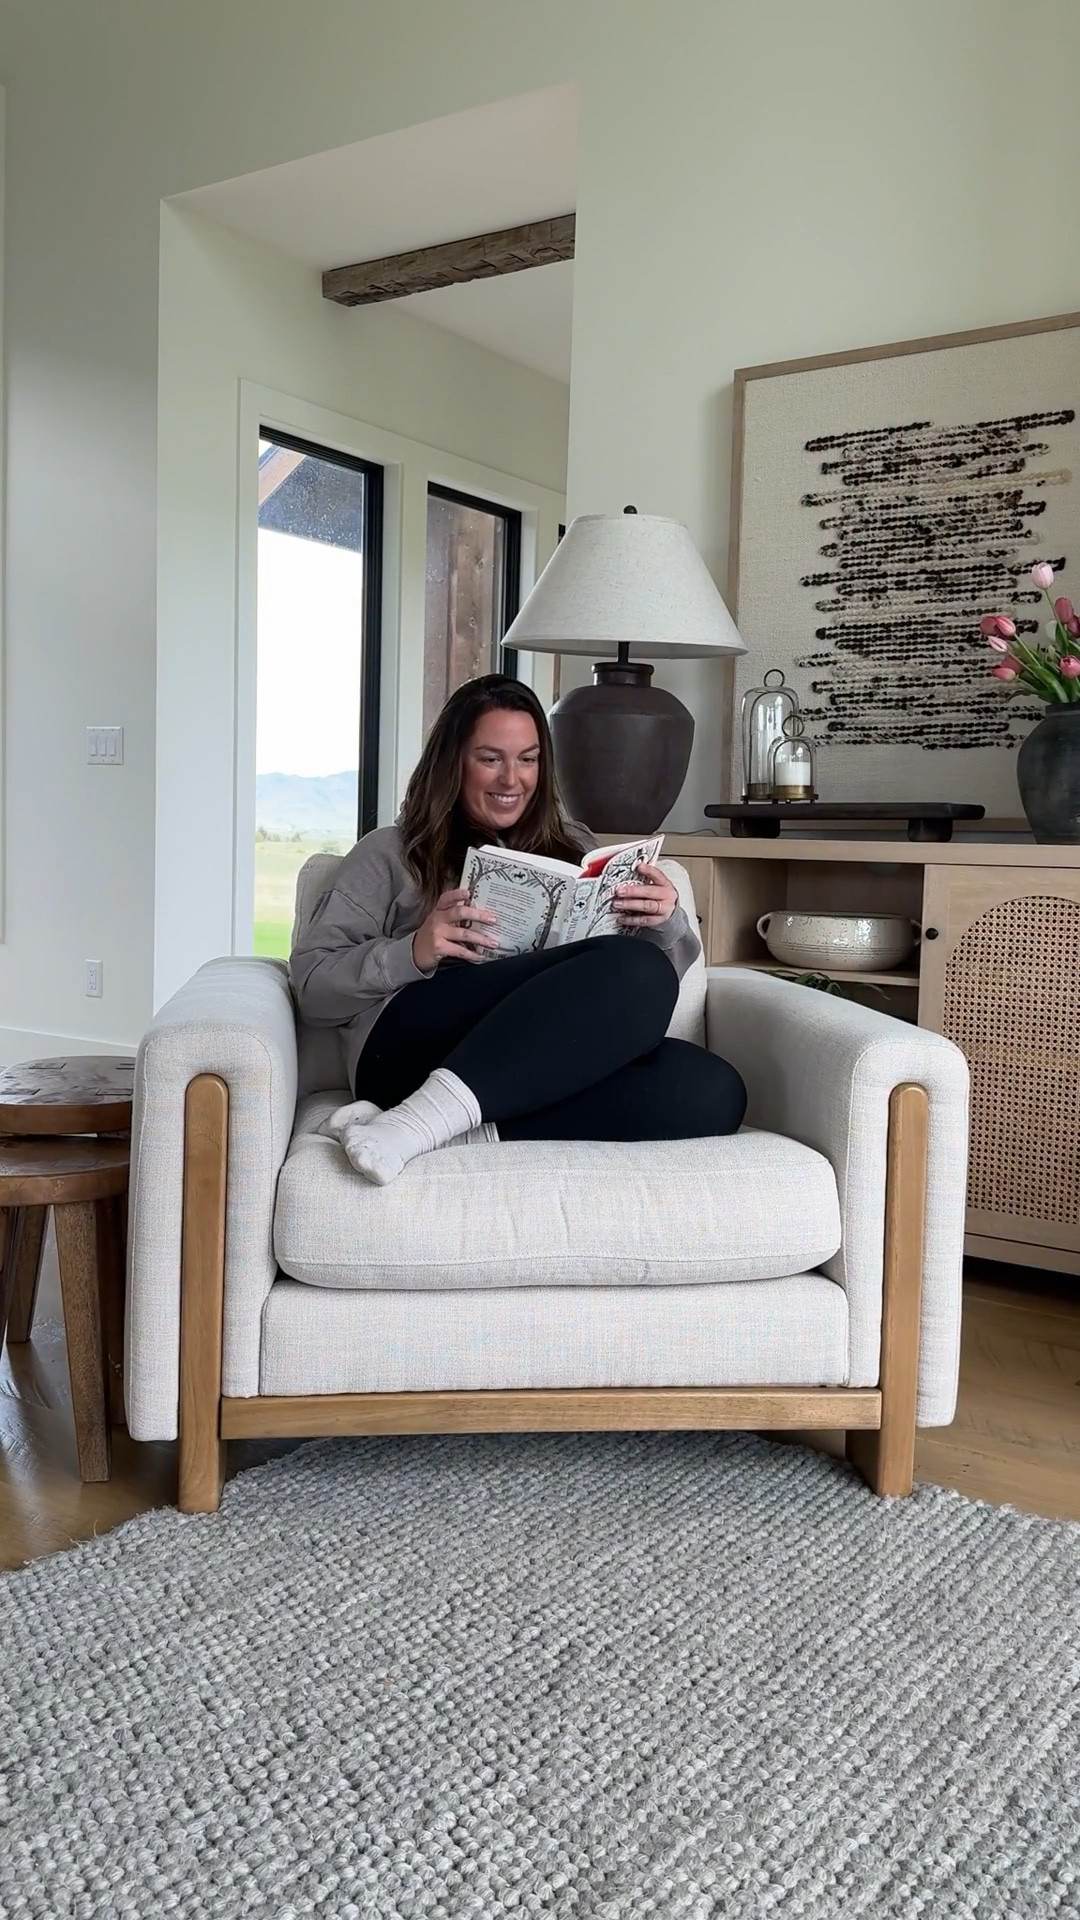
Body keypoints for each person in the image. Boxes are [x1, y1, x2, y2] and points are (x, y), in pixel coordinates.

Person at [290, 675, 746, 1183]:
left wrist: (664, 921)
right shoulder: (391, 852)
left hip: (530, 1062)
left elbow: (644, 992)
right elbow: (312, 988)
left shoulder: (575, 845)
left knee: (714, 1090)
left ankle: (427, 1129)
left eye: (527, 759)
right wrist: (414, 951)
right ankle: (418, 1112)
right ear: (453, 763)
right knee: (637, 968)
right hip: (406, 1051)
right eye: (490, 758)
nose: (512, 779)